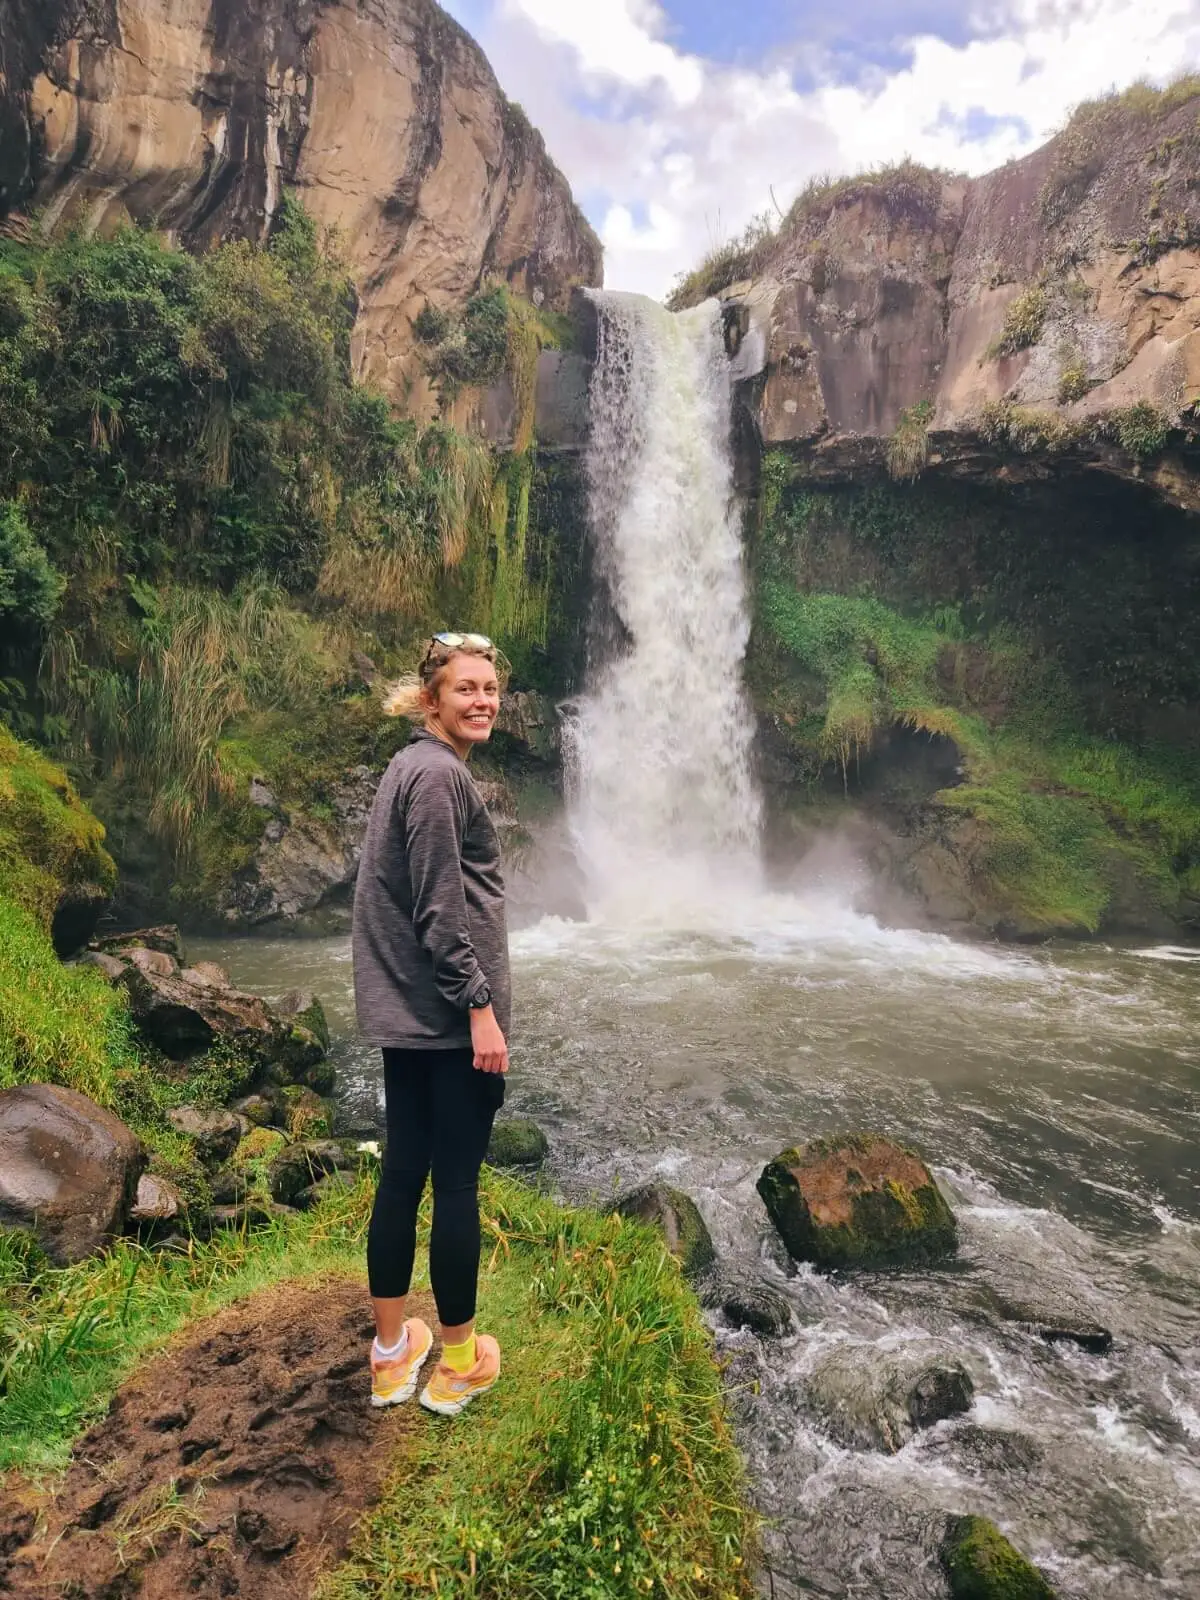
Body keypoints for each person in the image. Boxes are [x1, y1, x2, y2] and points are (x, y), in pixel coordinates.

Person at [352, 631, 511, 1415]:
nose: (482, 700)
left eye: (489, 688)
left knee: (402, 1174)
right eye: (466, 689)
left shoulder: (409, 768)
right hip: (448, 1022)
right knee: (453, 1184)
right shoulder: (440, 777)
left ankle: (390, 1355)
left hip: (408, 1016)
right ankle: (456, 1364)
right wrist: (481, 1010)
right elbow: (441, 915)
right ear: (430, 700)